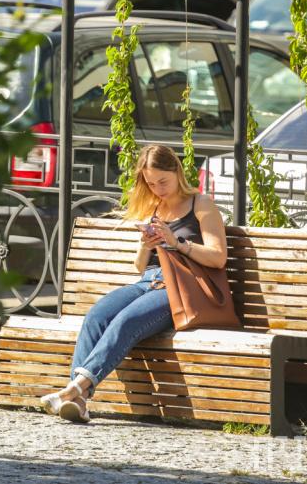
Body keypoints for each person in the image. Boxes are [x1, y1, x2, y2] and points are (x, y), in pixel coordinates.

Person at [40, 144, 230, 423]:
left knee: (126, 321)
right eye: (151, 184)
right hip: (148, 281)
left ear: (177, 171)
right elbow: (141, 267)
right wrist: (146, 244)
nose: (158, 189)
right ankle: (78, 401)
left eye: (163, 182)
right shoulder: (154, 207)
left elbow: (218, 257)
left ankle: (74, 390)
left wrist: (178, 243)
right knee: (96, 315)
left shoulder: (200, 204)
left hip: (180, 288)